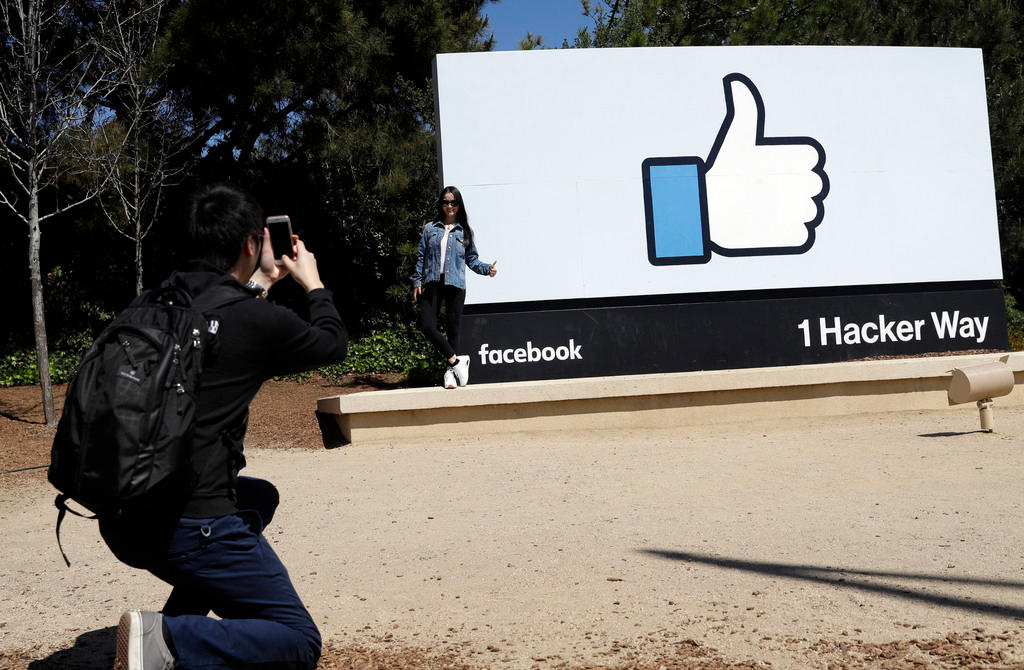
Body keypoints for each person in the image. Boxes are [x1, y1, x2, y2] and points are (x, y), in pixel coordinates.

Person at [102, 183, 348, 670]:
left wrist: (264, 282)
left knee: (259, 497)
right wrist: (313, 282)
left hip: (123, 518)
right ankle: (165, 640)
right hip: (193, 526)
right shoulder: (254, 322)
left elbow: (218, 324)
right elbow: (332, 342)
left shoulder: (148, 305)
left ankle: (169, 623)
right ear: (251, 245)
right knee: (298, 640)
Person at [410, 186, 497, 389]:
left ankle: (450, 375)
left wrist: (487, 269)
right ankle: (457, 362)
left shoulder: (464, 231)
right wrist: (416, 281)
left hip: (455, 284)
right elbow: (421, 257)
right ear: (441, 204)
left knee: (453, 329)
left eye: (453, 202)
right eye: (446, 202)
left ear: (459, 205)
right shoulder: (430, 228)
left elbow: (472, 259)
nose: (450, 206)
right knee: (427, 325)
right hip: (432, 282)